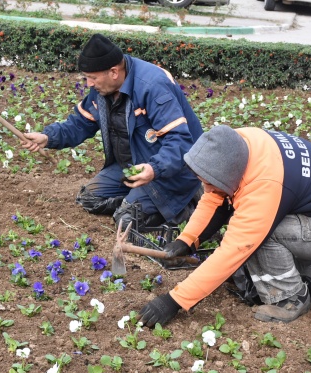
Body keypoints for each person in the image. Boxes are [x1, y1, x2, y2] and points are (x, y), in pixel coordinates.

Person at [139, 125, 311, 326]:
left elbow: (234, 250)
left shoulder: (264, 184)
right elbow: (215, 197)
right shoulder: (240, 144)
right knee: (269, 245)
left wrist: (174, 301)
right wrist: (187, 239)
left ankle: (289, 298)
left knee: (262, 238)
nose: (207, 188)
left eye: (210, 183)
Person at [22, 33, 203, 232]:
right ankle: (137, 201)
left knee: (126, 221)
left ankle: (186, 205)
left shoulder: (152, 86)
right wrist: (47, 137)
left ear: (114, 72)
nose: (88, 84)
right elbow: (80, 123)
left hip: (170, 173)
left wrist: (154, 169)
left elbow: (181, 142)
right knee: (89, 199)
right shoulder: (103, 88)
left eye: (92, 78)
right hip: (133, 165)